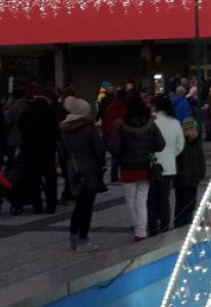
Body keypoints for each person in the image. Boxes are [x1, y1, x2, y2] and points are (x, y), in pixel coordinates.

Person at [108, 95, 165, 242]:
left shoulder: (120, 125)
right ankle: (140, 231)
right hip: (145, 166)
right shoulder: (151, 124)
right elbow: (161, 144)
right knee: (142, 199)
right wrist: (148, 147)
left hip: (127, 167)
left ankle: (137, 227)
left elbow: (114, 148)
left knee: (130, 199)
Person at [61, 97, 106, 251]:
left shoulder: (65, 129)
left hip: (73, 168)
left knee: (79, 205)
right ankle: (83, 239)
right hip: (89, 169)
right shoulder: (89, 128)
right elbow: (99, 149)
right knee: (87, 207)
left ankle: (73, 236)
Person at [17, 88, 61, 214]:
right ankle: (51, 205)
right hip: (47, 149)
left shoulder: (27, 112)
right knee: (50, 178)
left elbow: (21, 128)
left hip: (30, 150)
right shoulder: (51, 112)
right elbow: (57, 131)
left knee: (33, 178)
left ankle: (37, 205)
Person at [149, 95, 184, 236]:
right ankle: (164, 225)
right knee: (165, 198)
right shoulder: (175, 122)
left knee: (151, 199)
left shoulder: (151, 121)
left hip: (153, 165)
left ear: (155, 106)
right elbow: (180, 145)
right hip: (169, 165)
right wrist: (171, 155)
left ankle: (152, 226)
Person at [174, 117, 206, 228]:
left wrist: (202, 171)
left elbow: (201, 158)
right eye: (193, 130)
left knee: (191, 202)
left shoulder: (197, 143)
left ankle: (187, 220)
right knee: (181, 201)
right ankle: (179, 221)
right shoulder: (181, 143)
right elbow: (177, 159)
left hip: (194, 177)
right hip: (182, 179)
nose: (195, 132)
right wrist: (178, 173)